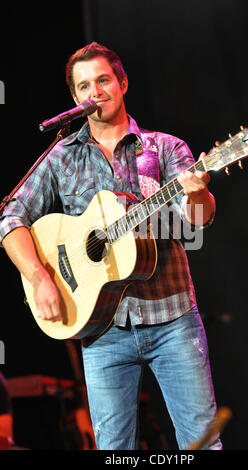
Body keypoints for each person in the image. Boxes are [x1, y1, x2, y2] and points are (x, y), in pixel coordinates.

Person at [0, 42, 221, 450]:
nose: (95, 91)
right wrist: (38, 276)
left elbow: (198, 219)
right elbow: (11, 216)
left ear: (122, 83)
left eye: (103, 80)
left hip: (172, 317)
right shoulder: (60, 156)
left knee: (202, 442)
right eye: (84, 86)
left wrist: (196, 192)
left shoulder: (164, 148)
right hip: (102, 328)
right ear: (74, 98)